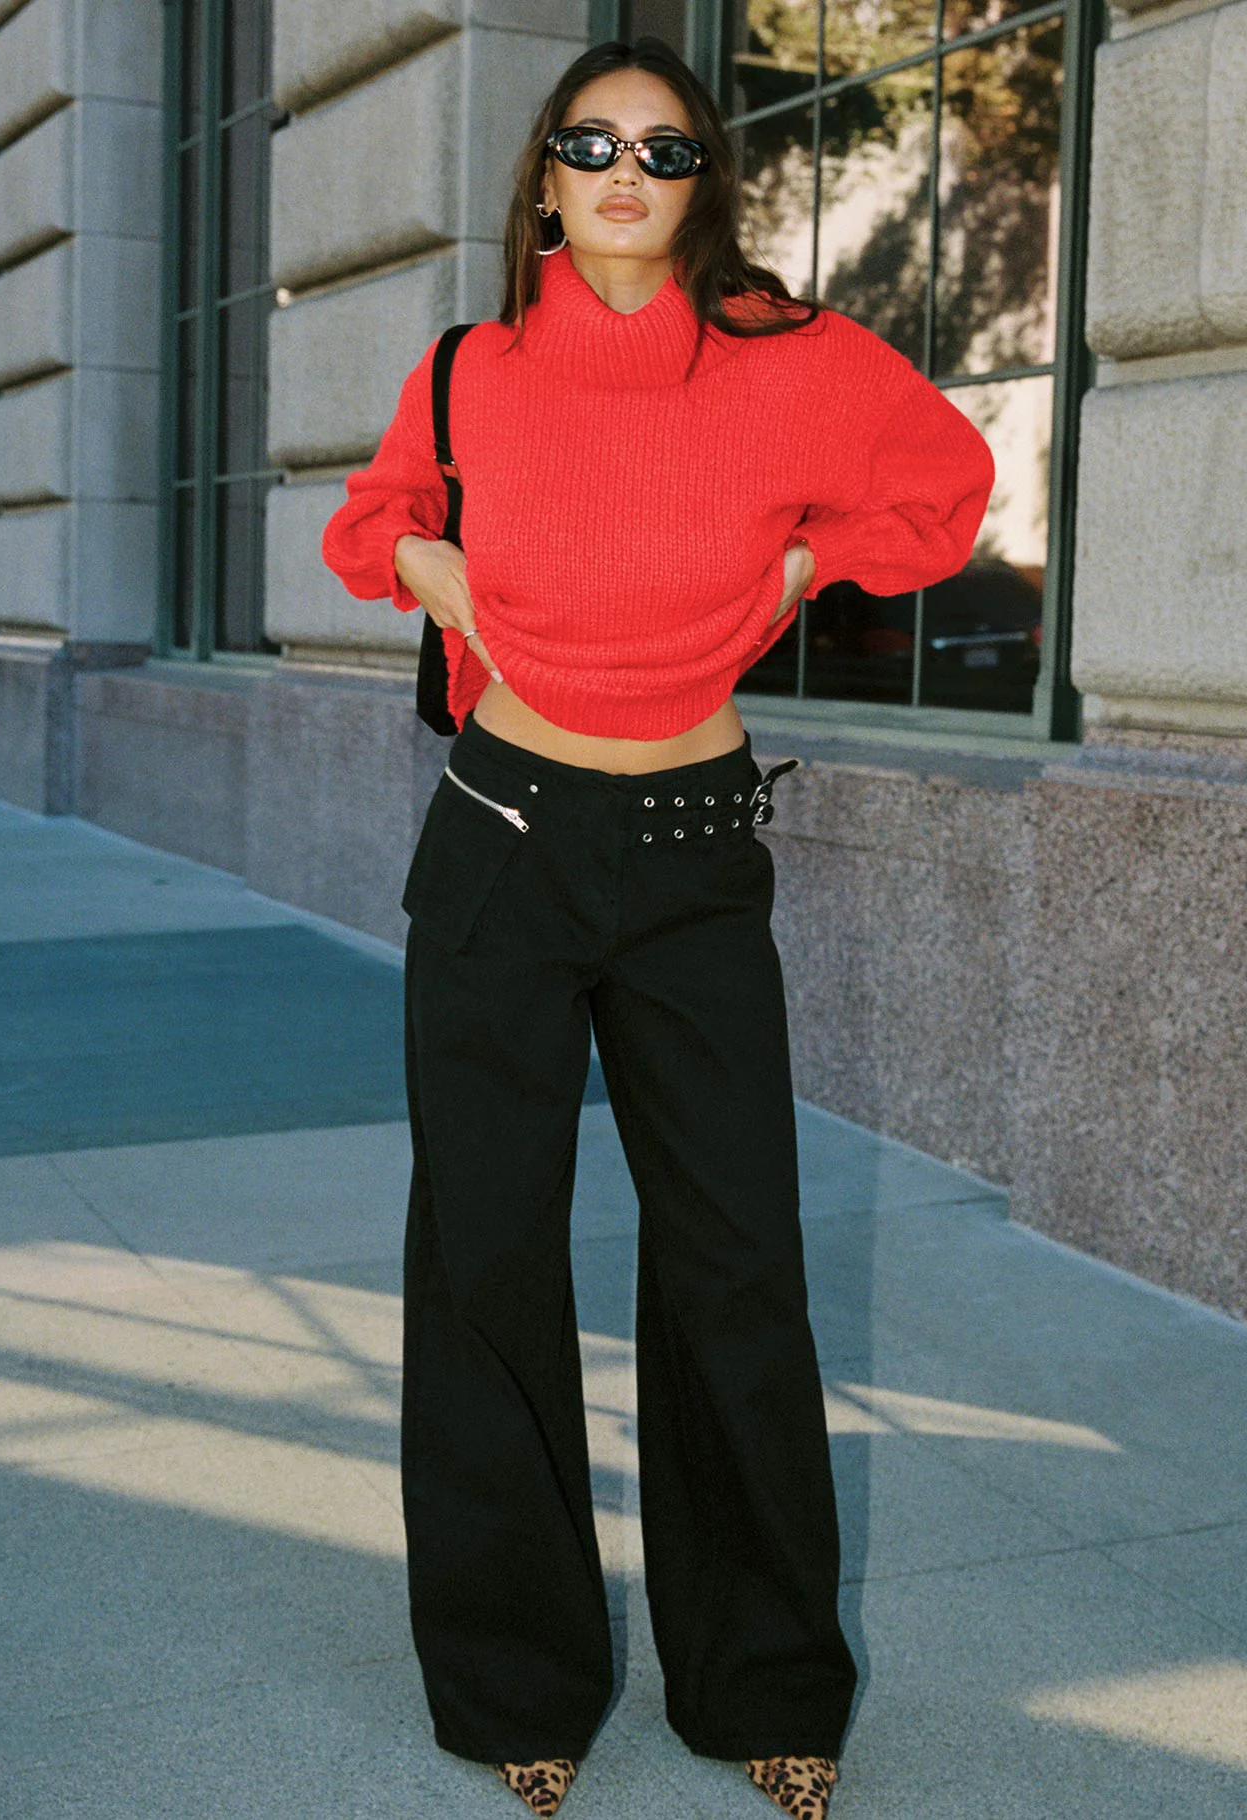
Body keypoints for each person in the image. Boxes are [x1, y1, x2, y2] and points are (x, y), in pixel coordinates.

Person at [322, 35, 994, 1820]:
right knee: (485, 1261)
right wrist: (426, 561)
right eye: (593, 144)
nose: (628, 171)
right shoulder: (467, 367)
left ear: (705, 185)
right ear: (545, 178)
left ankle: (765, 1679)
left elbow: (943, 482)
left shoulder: (794, 360)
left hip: (694, 855)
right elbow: (370, 519)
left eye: (667, 149)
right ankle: (515, 1685)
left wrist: (812, 561)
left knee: (736, 1262)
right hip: (503, 842)